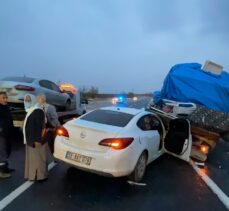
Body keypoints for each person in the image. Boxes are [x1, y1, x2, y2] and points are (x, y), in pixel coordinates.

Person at [23, 94, 48, 181]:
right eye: (26, 100)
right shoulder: (30, 111)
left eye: (29, 100)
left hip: (37, 140)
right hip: (31, 139)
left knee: (38, 159)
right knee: (34, 159)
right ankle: (33, 176)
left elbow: (40, 127)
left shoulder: (37, 111)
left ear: (33, 100)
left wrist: (37, 140)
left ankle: (40, 176)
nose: (27, 102)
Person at [0, 92, 14, 179]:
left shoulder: (5, 107)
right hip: (1, 134)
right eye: (3, 98)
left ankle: (5, 168)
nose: (6, 99)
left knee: (7, 151)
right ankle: (1, 172)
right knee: (1, 153)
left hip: (7, 133)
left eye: (6, 98)